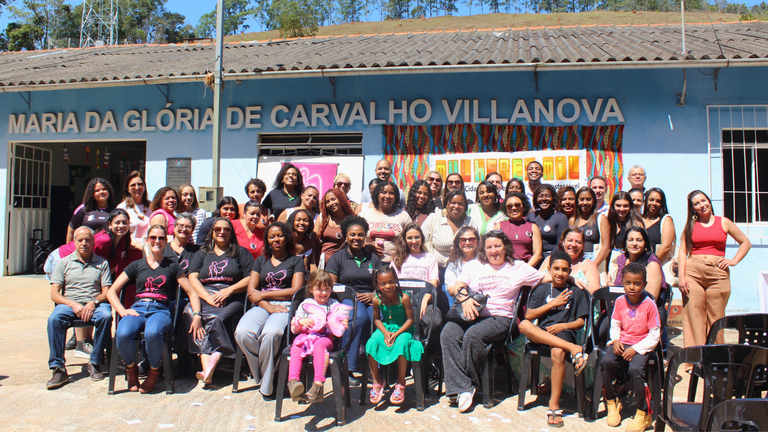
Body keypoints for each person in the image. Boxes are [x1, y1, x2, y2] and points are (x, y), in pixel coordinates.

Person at [442, 230, 582, 413]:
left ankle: (466, 386)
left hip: (499, 317)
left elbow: (545, 277)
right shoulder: (475, 264)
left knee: (473, 336)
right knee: (448, 333)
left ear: (506, 247)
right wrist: (465, 299)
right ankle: (461, 387)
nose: (493, 250)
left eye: (497, 246)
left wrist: (571, 278)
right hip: (470, 311)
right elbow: (459, 284)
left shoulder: (518, 267)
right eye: (489, 247)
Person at [107, 225, 205, 394]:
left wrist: (197, 315)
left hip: (160, 310)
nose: (157, 241)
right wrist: (122, 311)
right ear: (147, 240)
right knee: (123, 333)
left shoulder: (173, 266)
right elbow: (111, 291)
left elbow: (191, 292)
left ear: (166, 242)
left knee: (153, 332)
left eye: (161, 238)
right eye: (153, 237)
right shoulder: (136, 265)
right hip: (138, 309)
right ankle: (131, 370)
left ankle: (154, 371)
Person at [235, 222, 305, 399]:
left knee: (272, 334)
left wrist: (266, 294)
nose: (276, 239)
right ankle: (265, 374)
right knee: (242, 332)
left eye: (280, 235)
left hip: (285, 306)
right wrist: (268, 305)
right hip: (262, 305)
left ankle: (266, 386)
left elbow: (295, 290)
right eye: (272, 236)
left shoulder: (296, 261)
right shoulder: (260, 261)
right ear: (267, 240)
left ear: (287, 238)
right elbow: (252, 291)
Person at [184, 217, 254, 385]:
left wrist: (229, 290)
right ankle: (207, 363)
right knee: (189, 312)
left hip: (232, 295)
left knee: (218, 318)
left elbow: (251, 277)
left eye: (226, 229)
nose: (222, 232)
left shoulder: (241, 252)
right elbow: (192, 276)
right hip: (205, 293)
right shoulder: (202, 252)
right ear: (212, 233)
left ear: (232, 233)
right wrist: (206, 296)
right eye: (218, 229)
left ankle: (212, 359)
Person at [678, 190, 751, 349]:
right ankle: (695, 356)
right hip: (693, 273)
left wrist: (733, 261)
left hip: (717, 274)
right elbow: (682, 251)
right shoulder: (690, 225)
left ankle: (717, 355)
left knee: (716, 318)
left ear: (709, 201)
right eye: (696, 203)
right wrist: (681, 277)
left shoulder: (723, 222)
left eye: (703, 200)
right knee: (694, 316)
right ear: (692, 208)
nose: (701, 205)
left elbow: (745, 243)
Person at [525, 250, 589, 428]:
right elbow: (529, 315)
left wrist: (563, 326)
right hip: (543, 332)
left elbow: (580, 322)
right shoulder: (542, 289)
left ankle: (554, 405)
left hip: (563, 332)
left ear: (570, 271)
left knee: (558, 353)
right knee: (524, 325)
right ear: (549, 269)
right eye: (556, 269)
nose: (560, 273)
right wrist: (552, 303)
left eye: (564, 269)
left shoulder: (576, 291)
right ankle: (573, 348)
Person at [46, 227, 113, 388]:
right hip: (70, 304)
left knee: (106, 316)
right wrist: (72, 304)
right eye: (80, 240)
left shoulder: (102, 263)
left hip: (94, 304)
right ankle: (58, 368)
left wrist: (94, 302)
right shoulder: (64, 263)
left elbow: (107, 292)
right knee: (54, 319)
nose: (84, 243)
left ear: (93, 242)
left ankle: (95, 362)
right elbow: (54, 294)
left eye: (88, 240)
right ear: (74, 242)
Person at [602, 263, 660, 431]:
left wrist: (635, 349)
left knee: (635, 370)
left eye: (637, 283)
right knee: (606, 362)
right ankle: (612, 401)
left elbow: (654, 334)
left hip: (642, 344)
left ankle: (644, 413)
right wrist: (615, 340)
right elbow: (615, 324)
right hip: (623, 342)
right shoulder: (620, 301)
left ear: (644, 284)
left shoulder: (649, 305)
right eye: (628, 283)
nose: (632, 287)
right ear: (622, 282)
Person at [326, 216, 383, 384]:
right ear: (345, 236)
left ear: (365, 236)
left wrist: (374, 294)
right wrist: (351, 294)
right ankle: (348, 367)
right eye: (352, 234)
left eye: (360, 235)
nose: (356, 238)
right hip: (346, 298)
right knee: (359, 318)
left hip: (370, 299)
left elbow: (382, 281)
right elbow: (332, 286)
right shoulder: (338, 258)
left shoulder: (372, 258)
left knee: (378, 319)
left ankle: (374, 369)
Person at [287, 270, 349, 403]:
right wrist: (301, 322)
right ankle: (293, 382)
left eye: (327, 289)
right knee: (297, 344)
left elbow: (340, 324)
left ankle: (318, 385)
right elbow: (294, 329)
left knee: (320, 346)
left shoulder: (334, 305)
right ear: (311, 289)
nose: (323, 293)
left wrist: (342, 323)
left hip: (325, 338)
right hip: (306, 336)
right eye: (319, 289)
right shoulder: (305, 304)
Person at [366, 267, 423, 405]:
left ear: (396, 281)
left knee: (402, 344)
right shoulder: (377, 299)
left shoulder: (403, 298)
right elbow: (377, 319)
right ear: (377, 285)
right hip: (386, 328)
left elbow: (410, 320)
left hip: (403, 329)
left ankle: (400, 382)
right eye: (383, 284)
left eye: (391, 282)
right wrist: (386, 333)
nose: (388, 286)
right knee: (372, 343)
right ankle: (376, 382)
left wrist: (396, 334)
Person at [615, 226, 670, 355]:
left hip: (645, 311)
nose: (634, 243)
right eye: (631, 240)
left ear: (645, 244)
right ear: (625, 243)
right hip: (621, 308)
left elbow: (651, 297)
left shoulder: (652, 264)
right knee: (602, 326)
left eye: (639, 240)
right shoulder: (622, 259)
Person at [422, 189, 478, 311]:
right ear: (446, 204)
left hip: (461, 271)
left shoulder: (470, 222)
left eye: (460, 204)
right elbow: (423, 242)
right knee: (440, 307)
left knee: (458, 308)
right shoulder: (434, 219)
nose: (456, 206)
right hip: (436, 271)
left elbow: (476, 244)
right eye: (453, 203)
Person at [391, 223, 442, 346]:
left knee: (435, 321)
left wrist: (426, 298)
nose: (414, 241)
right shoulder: (398, 258)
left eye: (417, 237)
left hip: (424, 301)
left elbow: (433, 281)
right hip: (403, 302)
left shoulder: (429, 258)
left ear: (422, 238)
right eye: (410, 238)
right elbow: (392, 282)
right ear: (404, 240)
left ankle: (421, 347)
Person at [360, 180, 413, 263]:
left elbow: (412, 238)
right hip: (368, 262)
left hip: (395, 263)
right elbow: (355, 237)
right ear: (377, 194)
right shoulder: (365, 214)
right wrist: (364, 246)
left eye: (391, 193)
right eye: (383, 192)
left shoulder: (404, 215)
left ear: (396, 197)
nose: (387, 196)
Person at [540, 228, 601, 294]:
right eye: (570, 240)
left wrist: (572, 293)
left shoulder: (588, 264)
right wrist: (569, 279)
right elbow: (537, 279)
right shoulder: (549, 259)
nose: (573, 245)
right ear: (563, 242)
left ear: (583, 245)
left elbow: (595, 290)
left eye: (578, 242)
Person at [494, 192, 542, 267]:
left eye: (518, 205)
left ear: (524, 207)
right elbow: (494, 249)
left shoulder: (533, 227)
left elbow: (538, 254)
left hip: (526, 268)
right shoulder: (499, 226)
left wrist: (525, 269)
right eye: (509, 206)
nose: (514, 208)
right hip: (504, 268)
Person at [606, 192, 645, 281]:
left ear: (630, 206)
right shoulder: (609, 222)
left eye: (625, 206)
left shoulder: (636, 223)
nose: (622, 209)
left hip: (631, 266)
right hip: (612, 266)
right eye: (618, 205)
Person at [67, 177, 116, 243]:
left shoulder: (116, 210)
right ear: (92, 194)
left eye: (104, 189)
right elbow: (71, 232)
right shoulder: (83, 209)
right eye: (97, 190)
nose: (101, 192)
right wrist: (70, 248)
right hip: (86, 247)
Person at [315, 188, 355, 267]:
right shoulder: (322, 218)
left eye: (333, 199)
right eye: (327, 201)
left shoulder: (350, 220)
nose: (331, 203)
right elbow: (313, 242)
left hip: (342, 263)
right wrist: (313, 264)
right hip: (322, 263)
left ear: (340, 199)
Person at [527, 184, 568, 260]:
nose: (544, 199)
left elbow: (561, 245)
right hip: (533, 258)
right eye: (541, 196)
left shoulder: (560, 217)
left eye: (548, 196)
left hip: (552, 258)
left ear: (553, 199)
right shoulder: (530, 216)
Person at [572, 186, 610, 264]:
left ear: (593, 201)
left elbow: (606, 247)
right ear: (577, 202)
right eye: (582, 199)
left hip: (595, 263)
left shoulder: (601, 218)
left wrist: (593, 266)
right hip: (576, 263)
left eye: (588, 199)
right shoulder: (572, 221)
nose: (585, 203)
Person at [443, 226, 479, 305]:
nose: (467, 243)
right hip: (462, 303)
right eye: (463, 240)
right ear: (458, 242)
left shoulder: (484, 262)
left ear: (478, 241)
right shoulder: (453, 264)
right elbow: (451, 290)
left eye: (472, 239)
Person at [642, 187, 675, 265]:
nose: (654, 203)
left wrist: (650, 264)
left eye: (658, 201)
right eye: (651, 200)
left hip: (656, 266)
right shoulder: (639, 220)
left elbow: (666, 246)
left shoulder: (666, 220)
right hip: (638, 267)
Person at [117, 171, 151, 245]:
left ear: (144, 187)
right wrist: (139, 246)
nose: (137, 187)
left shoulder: (152, 206)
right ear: (127, 189)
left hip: (151, 248)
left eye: (140, 184)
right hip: (131, 248)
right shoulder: (122, 208)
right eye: (133, 185)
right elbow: (119, 235)